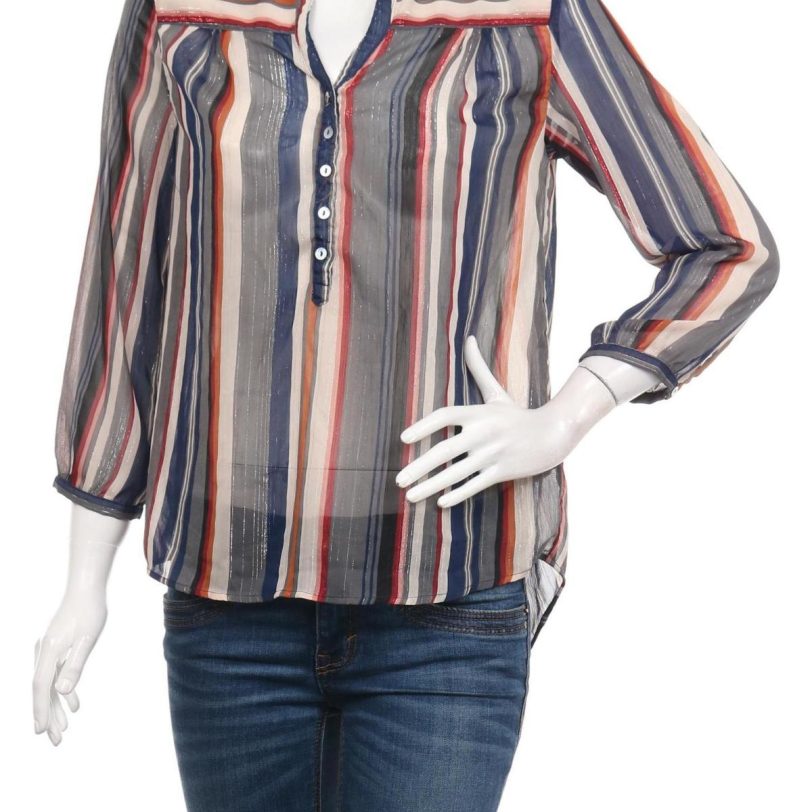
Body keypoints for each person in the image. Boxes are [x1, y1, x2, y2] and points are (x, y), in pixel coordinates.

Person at [33, 1, 779, 810]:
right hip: (229, 606)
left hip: (448, 598)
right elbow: (123, 277)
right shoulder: (180, 15)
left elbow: (727, 246)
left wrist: (563, 420)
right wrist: (83, 579)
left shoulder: (529, 17)